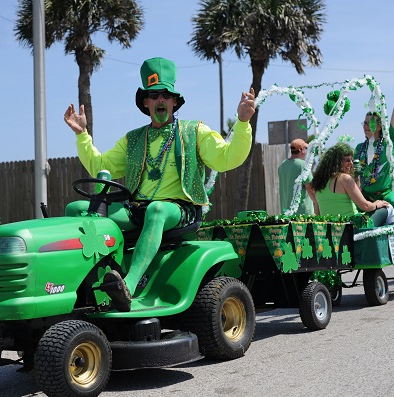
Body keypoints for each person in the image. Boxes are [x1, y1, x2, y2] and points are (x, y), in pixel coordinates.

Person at [63, 57, 255, 312]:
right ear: (146, 102)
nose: (160, 100)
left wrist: (242, 122)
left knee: (157, 210)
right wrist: (82, 135)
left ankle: (127, 287)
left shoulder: (193, 131)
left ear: (175, 101)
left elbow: (228, 158)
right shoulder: (133, 140)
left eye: (166, 95)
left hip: (180, 210)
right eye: (154, 95)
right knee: (77, 210)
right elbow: (100, 165)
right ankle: (78, 288)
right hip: (137, 210)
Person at [355, 69, 394, 214]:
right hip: (367, 196)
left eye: (371, 123)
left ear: (380, 126)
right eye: (364, 122)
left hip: (388, 192)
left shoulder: (389, 141)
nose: (366, 126)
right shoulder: (359, 148)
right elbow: (355, 176)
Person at [311, 143, 394, 226]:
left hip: (331, 230)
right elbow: (365, 206)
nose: (351, 163)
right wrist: (377, 204)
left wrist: (357, 180)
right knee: (388, 208)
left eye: (352, 160)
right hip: (353, 227)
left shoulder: (318, 182)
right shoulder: (345, 179)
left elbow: (317, 213)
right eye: (347, 160)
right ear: (337, 162)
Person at [278, 138, 318, 215]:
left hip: (286, 213)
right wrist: (318, 204)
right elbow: (310, 189)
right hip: (303, 214)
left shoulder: (282, 165)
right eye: (305, 148)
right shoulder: (303, 165)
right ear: (302, 150)